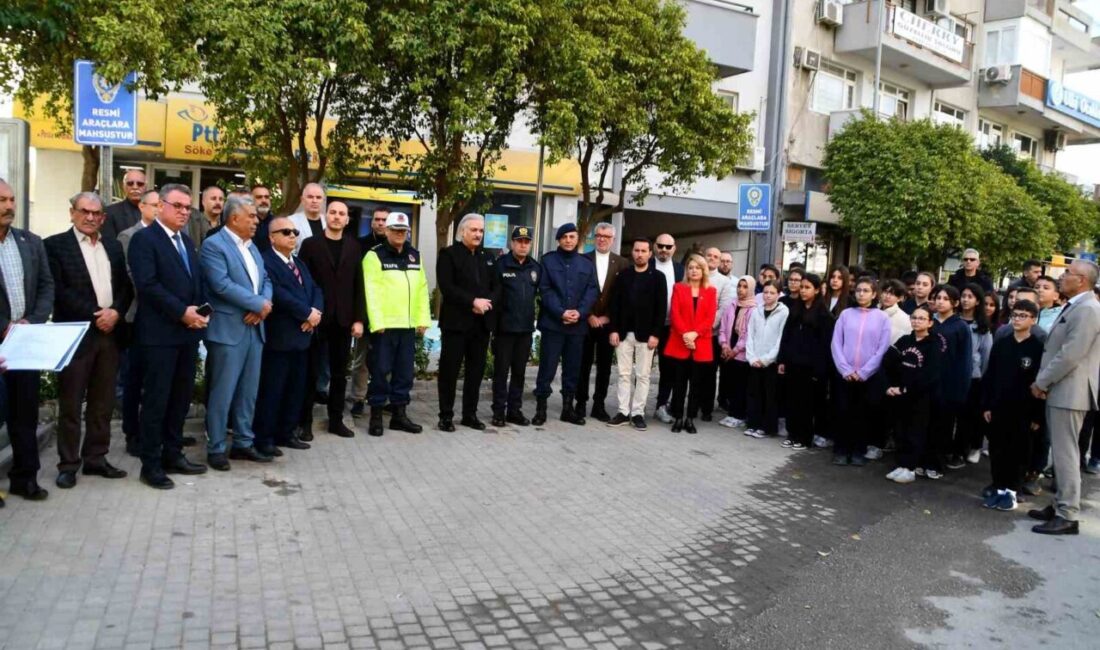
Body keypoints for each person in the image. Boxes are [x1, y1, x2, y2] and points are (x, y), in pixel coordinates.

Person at [44, 191, 132, 489]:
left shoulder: (113, 246)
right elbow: (59, 291)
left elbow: (125, 287)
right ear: (72, 213)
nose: (90, 217)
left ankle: (96, 458)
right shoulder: (55, 245)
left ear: (103, 218)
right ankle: (68, 464)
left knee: (102, 403)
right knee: (71, 404)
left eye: (96, 213)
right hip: (76, 335)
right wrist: (98, 315)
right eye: (84, 211)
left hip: (110, 335)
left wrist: (116, 312)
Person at [127, 183, 209, 489]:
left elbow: (195, 280)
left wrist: (200, 311)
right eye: (178, 206)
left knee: (180, 400)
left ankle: (173, 454)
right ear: (161, 206)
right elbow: (147, 285)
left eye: (188, 207)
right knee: (157, 401)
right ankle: (151, 464)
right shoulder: (144, 239)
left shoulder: (185, 241)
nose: (184, 212)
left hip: (187, 334)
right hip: (159, 336)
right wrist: (181, 312)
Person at [199, 195, 273, 471]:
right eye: (251, 216)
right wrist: (258, 304)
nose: (256, 221)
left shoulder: (252, 247)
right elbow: (221, 284)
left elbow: (266, 279)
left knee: (248, 392)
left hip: (255, 327)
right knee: (223, 392)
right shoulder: (214, 245)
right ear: (234, 218)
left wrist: (263, 306)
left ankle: (243, 442)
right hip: (228, 330)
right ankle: (216, 447)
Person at [1028, 260, 1100, 535]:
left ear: (1081, 280)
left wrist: (1042, 381)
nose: (1062, 276)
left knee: (1065, 452)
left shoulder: (1088, 309)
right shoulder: (1077, 305)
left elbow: (1070, 354)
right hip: (1063, 389)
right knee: (1060, 451)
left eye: (1068, 273)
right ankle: (1060, 503)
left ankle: (1067, 514)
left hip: (1070, 391)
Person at [0, 179, 55, 502]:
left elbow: (46, 286)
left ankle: (25, 478)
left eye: (11, 199)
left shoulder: (30, 241)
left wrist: (31, 322)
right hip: (2, 342)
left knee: (25, 414)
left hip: (25, 341)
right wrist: (4, 326)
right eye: (2, 200)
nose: (9, 206)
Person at [254, 218, 323, 456]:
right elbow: (278, 294)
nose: (292, 235)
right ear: (271, 237)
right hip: (280, 338)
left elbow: (315, 289)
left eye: (294, 231)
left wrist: (316, 312)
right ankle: (265, 438)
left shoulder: (298, 262)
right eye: (285, 232)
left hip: (303, 337)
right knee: (273, 390)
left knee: (295, 389)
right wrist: (306, 313)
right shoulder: (265, 261)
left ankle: (286, 433)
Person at [297, 200, 365, 438]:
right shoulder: (310, 245)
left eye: (341, 214)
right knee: (310, 373)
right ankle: (304, 422)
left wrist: (359, 319)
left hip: (343, 320)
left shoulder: (354, 247)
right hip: (316, 319)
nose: (336, 216)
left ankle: (336, 420)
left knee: (339, 374)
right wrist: (306, 312)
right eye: (333, 212)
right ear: (326, 216)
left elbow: (358, 284)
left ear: (347, 220)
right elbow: (302, 281)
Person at [362, 211, 430, 436]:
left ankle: (399, 416)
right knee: (380, 372)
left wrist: (423, 319)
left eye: (403, 231)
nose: (400, 234)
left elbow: (422, 289)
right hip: (385, 327)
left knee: (404, 373)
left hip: (408, 326)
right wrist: (377, 322)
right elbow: (371, 292)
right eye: (395, 230)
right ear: (387, 231)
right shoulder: (374, 256)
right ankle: (376, 415)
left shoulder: (414, 255)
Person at [435, 213, 500, 431]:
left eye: (481, 231)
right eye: (474, 230)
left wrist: (486, 304)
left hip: (481, 324)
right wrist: (472, 301)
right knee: (449, 372)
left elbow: (497, 286)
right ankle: (446, 416)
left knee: (476, 371)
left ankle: (469, 414)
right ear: (462, 231)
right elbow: (447, 286)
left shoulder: (488, 257)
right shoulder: (448, 255)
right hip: (456, 324)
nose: (478, 234)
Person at [533, 223, 598, 425]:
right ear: (559, 240)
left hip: (577, 326)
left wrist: (580, 312)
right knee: (547, 368)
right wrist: (561, 312)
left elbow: (592, 291)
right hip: (554, 325)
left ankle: (567, 409)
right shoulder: (548, 260)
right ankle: (541, 410)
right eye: (564, 237)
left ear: (577, 239)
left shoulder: (586, 264)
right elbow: (545, 290)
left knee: (572, 369)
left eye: (572, 237)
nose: (568, 240)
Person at [981, 299, 1043, 511]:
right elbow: (990, 375)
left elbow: (1040, 384)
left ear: (1033, 320)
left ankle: (1012, 491)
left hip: (1024, 410)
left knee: (1018, 451)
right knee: (997, 449)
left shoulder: (1037, 347)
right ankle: (998, 488)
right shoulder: (1002, 343)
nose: (1017, 319)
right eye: (1014, 315)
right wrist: (987, 405)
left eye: (1023, 316)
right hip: (999, 406)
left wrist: (1037, 416)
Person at [117, 189, 161, 456]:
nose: (158, 209)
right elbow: (132, 275)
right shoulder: (129, 236)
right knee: (134, 379)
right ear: (141, 207)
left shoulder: (174, 237)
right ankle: (132, 433)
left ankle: (158, 431)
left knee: (156, 381)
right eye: (154, 205)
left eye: (160, 205)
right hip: (136, 316)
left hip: (163, 320)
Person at [830, 278, 891, 465]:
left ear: (874, 294)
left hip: (868, 376)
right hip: (845, 375)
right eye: (858, 290)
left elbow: (882, 348)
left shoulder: (882, 318)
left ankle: (858, 451)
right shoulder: (846, 314)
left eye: (866, 291)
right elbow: (836, 343)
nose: (861, 294)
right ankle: (841, 450)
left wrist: (865, 372)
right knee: (843, 411)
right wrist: (845, 369)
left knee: (863, 414)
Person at [607, 237, 667, 430]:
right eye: (636, 250)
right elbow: (614, 305)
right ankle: (623, 412)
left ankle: (638, 413)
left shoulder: (658, 277)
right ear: (632, 252)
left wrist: (656, 334)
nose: (639, 254)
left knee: (643, 376)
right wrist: (613, 330)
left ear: (650, 253)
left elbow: (661, 308)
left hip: (647, 335)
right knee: (623, 374)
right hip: (623, 333)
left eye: (643, 251)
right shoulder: (623, 276)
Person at [882, 304, 942, 484]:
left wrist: (908, 389)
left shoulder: (934, 345)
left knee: (915, 432)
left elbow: (930, 374)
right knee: (900, 430)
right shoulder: (904, 340)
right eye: (914, 317)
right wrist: (891, 386)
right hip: (900, 396)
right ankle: (901, 465)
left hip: (920, 397)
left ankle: (910, 468)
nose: (917, 321)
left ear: (930, 322)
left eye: (922, 318)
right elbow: (889, 362)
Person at [576, 222, 627, 422]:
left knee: (604, 367)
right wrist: (589, 315)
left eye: (606, 236)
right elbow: (578, 291)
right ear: (594, 237)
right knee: (583, 365)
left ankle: (599, 405)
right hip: (586, 322)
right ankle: (580, 403)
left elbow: (622, 296)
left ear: (613, 239)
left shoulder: (622, 263)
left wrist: (608, 317)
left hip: (608, 324)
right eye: (598, 235)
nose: (602, 239)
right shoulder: (583, 260)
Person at [491, 226, 540, 427]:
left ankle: (514, 411)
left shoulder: (535, 267)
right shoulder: (501, 265)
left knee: (519, 373)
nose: (523, 245)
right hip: (505, 330)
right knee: (501, 373)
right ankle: (498, 411)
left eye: (526, 242)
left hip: (525, 330)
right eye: (519, 241)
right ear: (512, 243)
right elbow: (493, 297)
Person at [777, 273, 833, 449]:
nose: (803, 290)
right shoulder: (795, 310)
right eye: (801, 287)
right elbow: (786, 336)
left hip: (811, 368)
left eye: (807, 287)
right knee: (792, 400)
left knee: (806, 404)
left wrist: (819, 370)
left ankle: (804, 437)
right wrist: (782, 360)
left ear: (817, 290)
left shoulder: (824, 315)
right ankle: (792, 434)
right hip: (793, 364)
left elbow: (825, 346)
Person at [924, 284, 972, 480]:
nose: (940, 302)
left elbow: (964, 361)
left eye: (945, 299)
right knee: (925, 424)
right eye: (938, 298)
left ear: (955, 303)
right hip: (928, 382)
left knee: (943, 426)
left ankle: (937, 464)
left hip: (948, 385)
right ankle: (922, 460)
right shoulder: (930, 322)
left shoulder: (961, 327)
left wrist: (960, 389)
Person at [666, 254, 717, 434]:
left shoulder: (711, 291)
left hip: (700, 343)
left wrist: (695, 334)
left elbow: (710, 317)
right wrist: (686, 335)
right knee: (679, 383)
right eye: (691, 268)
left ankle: (690, 418)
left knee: (696, 385)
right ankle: (678, 417)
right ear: (687, 270)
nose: (694, 271)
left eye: (698, 268)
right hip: (680, 342)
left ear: (704, 271)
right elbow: (675, 314)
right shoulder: (679, 288)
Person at [349, 206, 391, 418]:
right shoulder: (359, 245)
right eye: (377, 219)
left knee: (386, 360)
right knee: (361, 359)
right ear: (372, 222)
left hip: (388, 313)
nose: (380, 223)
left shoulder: (398, 246)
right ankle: (358, 398)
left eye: (384, 220)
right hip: (365, 310)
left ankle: (383, 398)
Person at [949, 283, 993, 469]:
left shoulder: (982, 326)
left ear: (977, 301)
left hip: (972, 377)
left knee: (965, 418)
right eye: (963, 296)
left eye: (970, 297)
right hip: (949, 374)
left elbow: (986, 355)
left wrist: (980, 377)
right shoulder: (952, 320)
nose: (966, 300)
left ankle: (959, 452)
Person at [744, 280, 789, 439]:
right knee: (754, 393)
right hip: (755, 360)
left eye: (772, 293)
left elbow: (780, 339)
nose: (768, 295)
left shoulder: (783, 312)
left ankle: (766, 427)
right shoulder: (757, 311)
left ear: (778, 294)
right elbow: (750, 335)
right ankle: (753, 424)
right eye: (765, 292)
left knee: (769, 396)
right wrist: (752, 357)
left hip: (770, 362)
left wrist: (766, 359)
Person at [652, 234, 684, 423]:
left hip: (672, 327)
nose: (664, 249)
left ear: (674, 248)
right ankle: (636, 407)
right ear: (654, 246)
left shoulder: (681, 269)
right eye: (660, 245)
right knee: (642, 370)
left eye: (668, 246)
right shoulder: (646, 265)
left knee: (668, 369)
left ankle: (661, 405)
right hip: (648, 327)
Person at [717, 276, 756, 428]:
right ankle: (732, 413)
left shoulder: (753, 309)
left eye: (745, 287)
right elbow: (722, 328)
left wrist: (735, 350)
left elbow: (748, 334)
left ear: (751, 289)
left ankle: (739, 415)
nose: (741, 289)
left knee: (741, 386)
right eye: (739, 286)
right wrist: (724, 345)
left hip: (741, 355)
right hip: (728, 352)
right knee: (731, 384)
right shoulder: (732, 305)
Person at [701, 247, 735, 421]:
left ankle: (706, 409)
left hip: (711, 334)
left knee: (709, 373)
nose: (712, 259)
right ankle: (692, 404)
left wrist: (706, 327)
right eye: (709, 255)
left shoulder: (724, 282)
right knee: (693, 372)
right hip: (692, 334)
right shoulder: (696, 274)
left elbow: (723, 308)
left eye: (716, 257)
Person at [102, 168, 147, 240]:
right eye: (130, 183)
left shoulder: (156, 212)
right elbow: (109, 242)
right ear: (123, 186)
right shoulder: (110, 212)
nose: (135, 187)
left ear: (146, 187)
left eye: (140, 184)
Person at [289, 182, 327, 253]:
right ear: (302, 200)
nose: (314, 201)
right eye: (310, 197)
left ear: (323, 201)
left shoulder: (328, 222)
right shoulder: (291, 222)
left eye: (318, 197)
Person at [880, 279, 912, 344]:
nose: (887, 296)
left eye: (892, 294)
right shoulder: (872, 311)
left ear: (900, 298)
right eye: (885, 292)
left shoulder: (905, 319)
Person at [250, 184, 276, 251]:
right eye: (259, 197)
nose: (264, 200)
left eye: (267, 197)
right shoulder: (244, 223)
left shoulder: (277, 223)